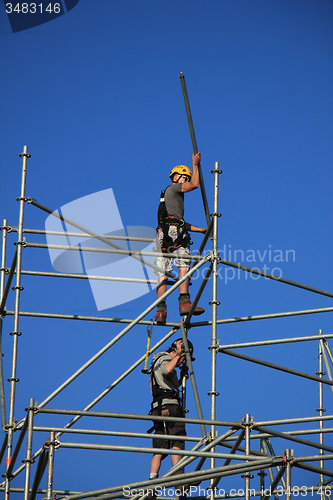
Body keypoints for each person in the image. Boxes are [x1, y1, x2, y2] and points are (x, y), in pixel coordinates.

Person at [154, 152, 207, 323]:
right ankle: (184, 303)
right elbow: (195, 184)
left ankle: (160, 311)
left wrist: (201, 230)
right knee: (183, 265)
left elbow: (179, 222)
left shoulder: (168, 197)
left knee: (163, 273)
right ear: (176, 177)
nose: (185, 181)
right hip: (174, 232)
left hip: (163, 234)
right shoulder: (175, 187)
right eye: (184, 177)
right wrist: (195, 164)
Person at [149, 338, 194, 480]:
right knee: (176, 443)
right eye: (185, 358)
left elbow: (167, 386)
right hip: (171, 407)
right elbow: (166, 370)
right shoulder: (166, 358)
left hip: (158, 408)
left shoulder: (161, 360)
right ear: (177, 349)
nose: (184, 361)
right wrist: (180, 354)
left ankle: (152, 482)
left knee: (159, 450)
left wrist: (180, 379)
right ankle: (178, 479)